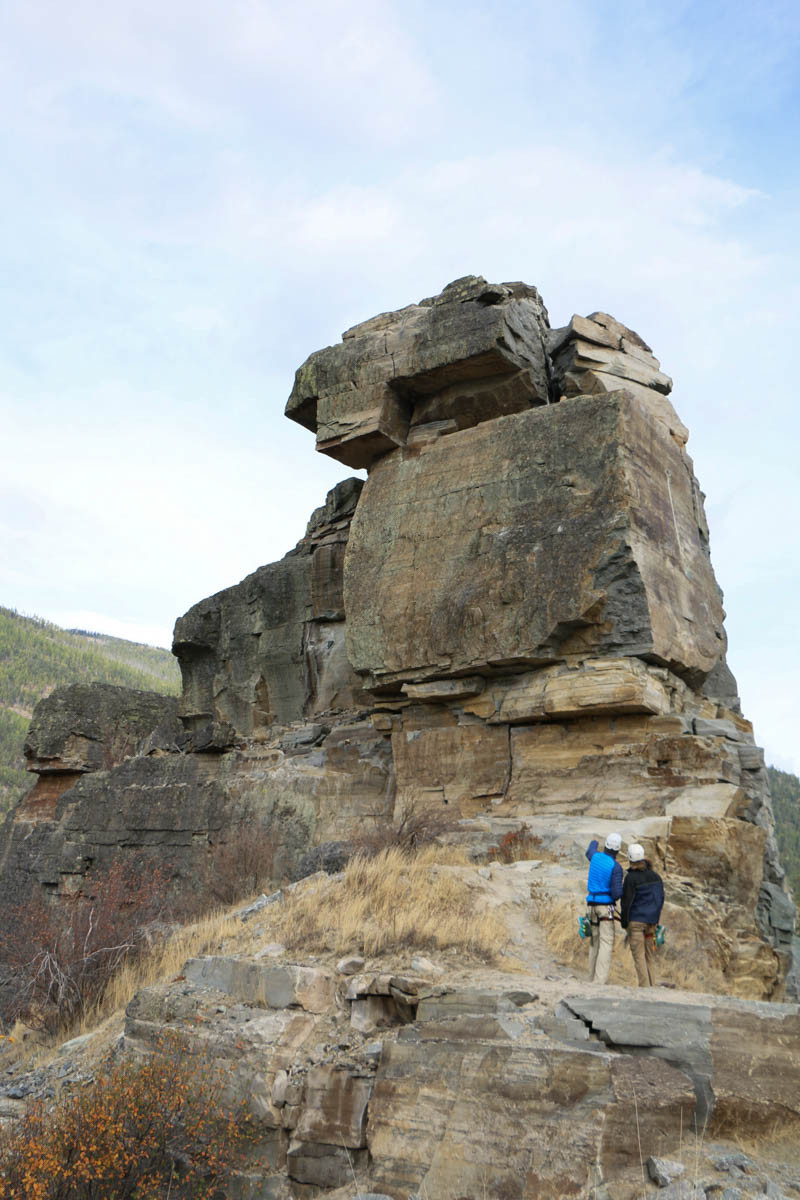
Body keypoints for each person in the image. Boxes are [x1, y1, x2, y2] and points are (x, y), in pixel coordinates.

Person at [620, 843, 664, 987]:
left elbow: (626, 902)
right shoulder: (656, 877)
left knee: (639, 958)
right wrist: (655, 921)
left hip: (636, 923)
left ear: (630, 859)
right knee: (649, 957)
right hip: (651, 923)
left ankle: (645, 990)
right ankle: (652, 988)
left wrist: (624, 923)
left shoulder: (630, 879)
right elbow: (660, 900)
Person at [585, 832, 623, 984]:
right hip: (605, 907)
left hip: (591, 905)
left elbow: (589, 851)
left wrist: (594, 842)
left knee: (594, 942)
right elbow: (616, 893)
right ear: (618, 850)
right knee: (606, 943)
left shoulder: (595, 857)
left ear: (606, 845)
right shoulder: (616, 866)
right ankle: (599, 981)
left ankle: (590, 978)